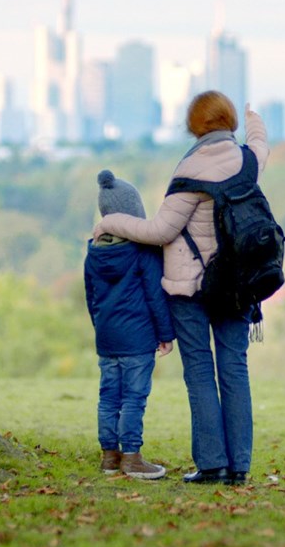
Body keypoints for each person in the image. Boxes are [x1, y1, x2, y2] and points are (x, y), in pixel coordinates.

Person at [93, 91, 269, 486]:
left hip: (190, 289)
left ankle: (212, 465)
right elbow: (261, 142)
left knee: (200, 373)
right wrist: (253, 114)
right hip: (238, 285)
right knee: (235, 370)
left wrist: (111, 223)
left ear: (193, 126)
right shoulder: (248, 160)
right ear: (230, 123)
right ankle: (239, 466)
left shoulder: (190, 171)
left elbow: (159, 231)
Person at [85, 169, 175, 480]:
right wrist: (166, 335)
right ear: (134, 212)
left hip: (107, 338)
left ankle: (110, 456)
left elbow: (91, 298)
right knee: (134, 398)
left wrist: (102, 328)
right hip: (137, 338)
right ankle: (133, 457)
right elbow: (155, 295)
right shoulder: (142, 250)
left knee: (108, 396)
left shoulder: (93, 251)